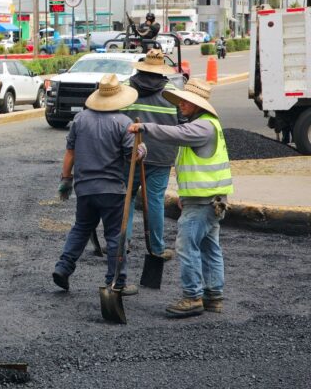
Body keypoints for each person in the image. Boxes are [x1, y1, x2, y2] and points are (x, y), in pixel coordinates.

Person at [128, 78, 232, 318]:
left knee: (187, 247)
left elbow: (174, 133)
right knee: (209, 247)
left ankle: (192, 297)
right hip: (208, 198)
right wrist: (185, 195)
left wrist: (145, 127)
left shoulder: (201, 127)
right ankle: (213, 297)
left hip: (204, 201)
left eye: (187, 101)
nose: (182, 104)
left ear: (198, 105)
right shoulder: (206, 125)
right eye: (182, 100)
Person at [52, 73, 144, 296]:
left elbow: (70, 153)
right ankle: (116, 281)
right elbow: (131, 158)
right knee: (114, 235)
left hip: (84, 188)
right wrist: (142, 149)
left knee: (81, 227)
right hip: (112, 189)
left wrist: (66, 179)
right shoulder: (124, 123)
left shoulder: (80, 119)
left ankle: (63, 267)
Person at [121, 49, 179, 261]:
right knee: (154, 200)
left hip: (130, 153)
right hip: (162, 154)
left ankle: (122, 243)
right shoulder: (173, 91)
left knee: (126, 197)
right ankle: (156, 247)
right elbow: (182, 123)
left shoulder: (126, 87)